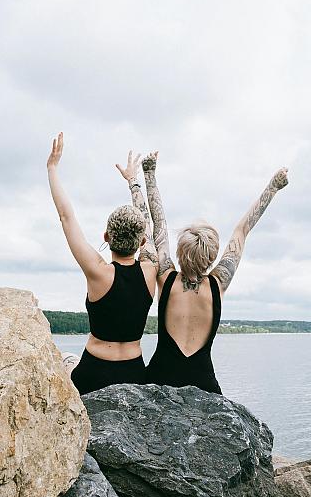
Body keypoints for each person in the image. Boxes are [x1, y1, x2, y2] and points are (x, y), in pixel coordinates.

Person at [142, 152, 289, 394]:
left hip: (160, 376)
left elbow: (160, 225)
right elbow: (242, 230)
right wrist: (273, 187)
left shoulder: (165, 277)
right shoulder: (219, 282)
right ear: (212, 257)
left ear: (180, 251)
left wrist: (149, 174)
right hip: (203, 382)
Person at [46, 132, 158, 394]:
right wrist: (133, 182)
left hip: (93, 372)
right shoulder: (150, 270)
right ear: (142, 243)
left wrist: (52, 168)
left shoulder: (98, 272)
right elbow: (148, 226)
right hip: (134, 373)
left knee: (66, 361)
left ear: (106, 237)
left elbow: (66, 217)